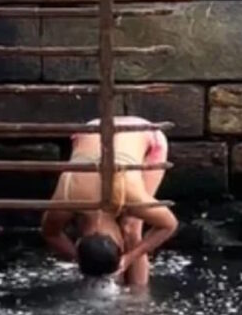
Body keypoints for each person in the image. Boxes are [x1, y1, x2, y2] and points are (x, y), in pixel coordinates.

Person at [40, 116, 178, 286]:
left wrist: (129, 257)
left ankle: (139, 297)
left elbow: (169, 225)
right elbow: (50, 233)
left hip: (141, 132)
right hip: (91, 130)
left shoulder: (129, 195)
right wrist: (79, 258)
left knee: (131, 226)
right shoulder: (68, 198)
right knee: (102, 246)